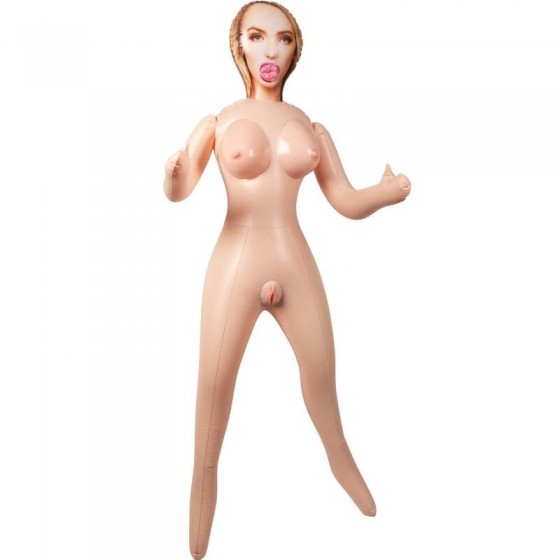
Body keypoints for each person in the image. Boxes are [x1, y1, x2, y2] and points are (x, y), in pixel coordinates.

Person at [163, 2, 411, 558]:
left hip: (293, 259)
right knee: (213, 390)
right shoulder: (217, 123)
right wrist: (173, 174)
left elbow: (344, 199)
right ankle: (201, 495)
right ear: (239, 46)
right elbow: (180, 191)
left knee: (322, 379)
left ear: (295, 50)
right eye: (257, 37)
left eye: (283, 39)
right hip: (235, 261)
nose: (270, 50)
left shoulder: (309, 126)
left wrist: (385, 193)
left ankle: (342, 464)